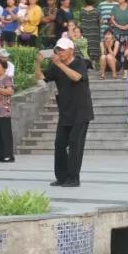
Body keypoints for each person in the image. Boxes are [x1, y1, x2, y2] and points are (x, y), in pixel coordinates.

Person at [35, 38, 94, 187]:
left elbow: (77, 77)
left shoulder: (79, 62)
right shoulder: (56, 66)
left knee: (75, 144)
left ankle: (74, 178)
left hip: (81, 112)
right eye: (57, 50)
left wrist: (60, 64)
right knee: (59, 144)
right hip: (65, 111)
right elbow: (40, 78)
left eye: (62, 50)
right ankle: (61, 177)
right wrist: (37, 63)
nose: (59, 52)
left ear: (71, 50)